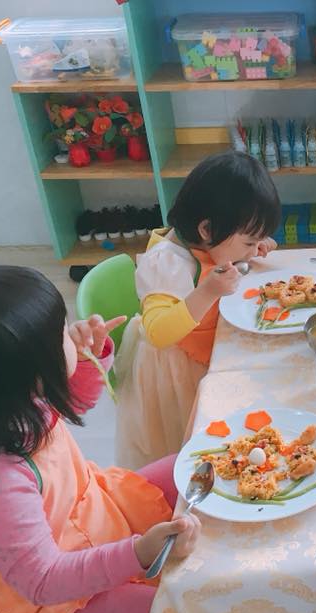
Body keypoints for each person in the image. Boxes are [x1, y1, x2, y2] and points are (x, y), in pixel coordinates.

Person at [0, 265, 200, 613]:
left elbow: (73, 402)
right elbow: (44, 582)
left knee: (188, 467)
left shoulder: (5, 404)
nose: (71, 335)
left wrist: (87, 358)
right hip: (46, 610)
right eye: (59, 337)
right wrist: (137, 554)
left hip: (90, 519)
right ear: (20, 374)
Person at [115, 151, 280, 468]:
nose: (252, 249)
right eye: (248, 241)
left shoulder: (206, 242)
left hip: (202, 349)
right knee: (190, 444)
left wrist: (248, 249)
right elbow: (159, 333)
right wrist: (208, 291)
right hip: (173, 369)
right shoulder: (166, 262)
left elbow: (221, 255)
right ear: (207, 230)